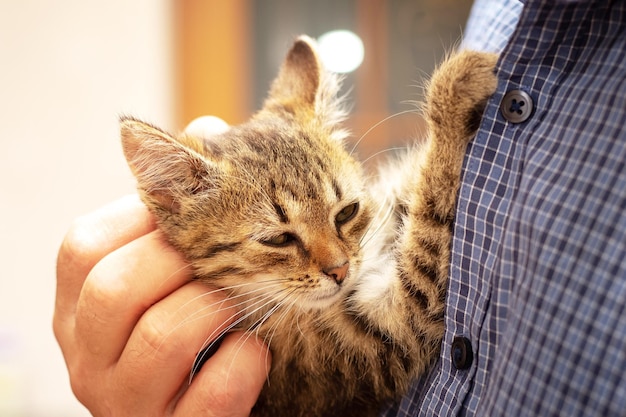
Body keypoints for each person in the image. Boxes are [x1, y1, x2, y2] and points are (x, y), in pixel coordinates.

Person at [54, 0, 626, 415]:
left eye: (345, 214)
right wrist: (451, 136)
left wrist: (447, 143)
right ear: (176, 203)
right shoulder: (271, 349)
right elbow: (413, 315)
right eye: (280, 240)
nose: (334, 263)